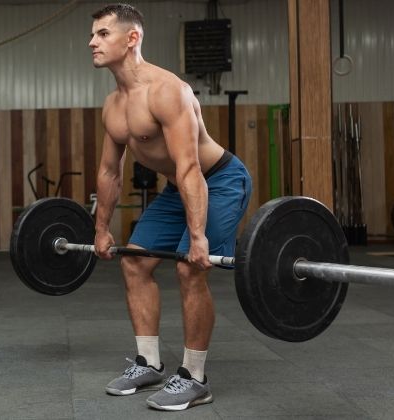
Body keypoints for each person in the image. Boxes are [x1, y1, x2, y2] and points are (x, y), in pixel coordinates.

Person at [88, 3, 252, 411]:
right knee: (135, 262)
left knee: (188, 268)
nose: (92, 42)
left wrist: (197, 238)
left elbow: (191, 165)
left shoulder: (167, 91)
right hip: (178, 188)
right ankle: (149, 363)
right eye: (92, 34)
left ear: (132, 38)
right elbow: (109, 172)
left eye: (103, 33)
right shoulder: (113, 105)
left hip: (218, 180)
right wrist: (101, 228)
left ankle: (196, 378)